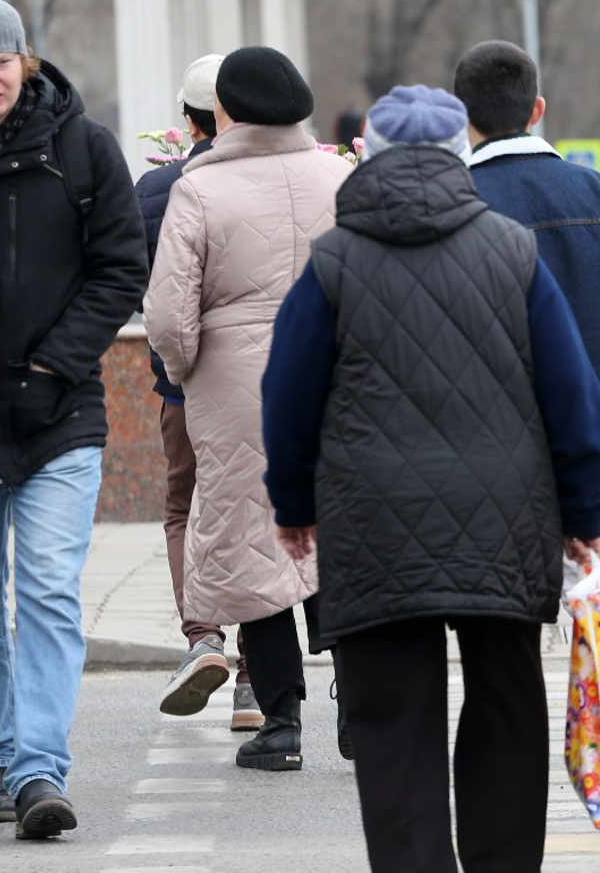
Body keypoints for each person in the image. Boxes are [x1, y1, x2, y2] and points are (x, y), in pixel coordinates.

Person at [260, 85, 600, 873]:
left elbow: (286, 396)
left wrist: (294, 503)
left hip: (373, 523)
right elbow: (572, 394)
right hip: (507, 520)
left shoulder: (333, 261)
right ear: (463, 155)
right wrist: (582, 511)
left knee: (393, 722)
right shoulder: (513, 251)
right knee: (506, 709)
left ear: (369, 156)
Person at [0, 0, 148, 838]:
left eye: (2, 60)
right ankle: (0, 751)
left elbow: (122, 270)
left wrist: (56, 361)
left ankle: (39, 769)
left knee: (47, 590)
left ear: (27, 61)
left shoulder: (84, 150)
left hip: (58, 414)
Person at [144, 46, 352, 771]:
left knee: (250, 540)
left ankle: (281, 725)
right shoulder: (341, 175)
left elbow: (169, 317)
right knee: (332, 537)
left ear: (225, 112)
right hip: (334, 378)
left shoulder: (199, 192)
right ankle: (358, 709)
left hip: (236, 392)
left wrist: (185, 371)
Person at [453, 40, 600, 552]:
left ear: (462, 114)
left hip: (495, 436)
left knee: (510, 595)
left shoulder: (455, 201)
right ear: (537, 109)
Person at [136, 53, 260, 729]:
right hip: (264, 391)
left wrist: (179, 364)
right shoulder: (280, 181)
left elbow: (141, 294)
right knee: (255, 517)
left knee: (186, 509)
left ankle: (202, 638)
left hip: (182, 391)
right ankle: (255, 678)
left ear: (187, 122)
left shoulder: (156, 193)